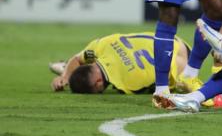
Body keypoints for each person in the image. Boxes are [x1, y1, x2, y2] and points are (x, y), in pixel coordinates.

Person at [49, 32, 198, 96]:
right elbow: (77, 59)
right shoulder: (101, 46)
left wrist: (66, 75)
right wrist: (66, 76)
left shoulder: (126, 85)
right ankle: (65, 67)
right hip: (173, 40)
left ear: (98, 83)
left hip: (183, 66)